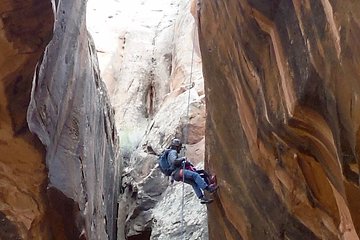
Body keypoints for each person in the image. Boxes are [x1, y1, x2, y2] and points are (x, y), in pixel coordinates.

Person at [167, 138, 218, 204]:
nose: (180, 149)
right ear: (176, 146)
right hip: (178, 172)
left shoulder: (170, 153)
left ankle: (202, 198)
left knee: (193, 183)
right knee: (195, 175)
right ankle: (208, 188)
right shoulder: (173, 152)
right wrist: (182, 159)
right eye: (179, 147)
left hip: (176, 175)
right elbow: (174, 161)